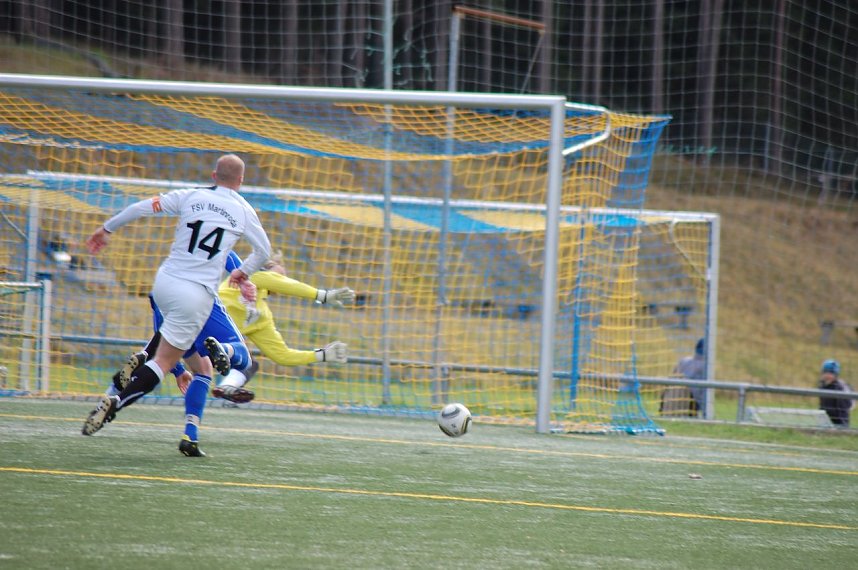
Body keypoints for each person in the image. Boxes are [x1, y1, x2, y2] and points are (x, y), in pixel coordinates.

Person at [81, 154, 271, 456]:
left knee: (191, 359)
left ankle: (145, 357)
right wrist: (242, 273)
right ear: (241, 181)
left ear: (213, 175)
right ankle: (116, 401)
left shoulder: (189, 196)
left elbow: (142, 207)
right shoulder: (244, 211)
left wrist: (106, 229)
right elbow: (264, 251)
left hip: (164, 283)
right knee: (168, 362)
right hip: (196, 293)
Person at [212, 252, 354, 402]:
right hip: (200, 321)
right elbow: (281, 283)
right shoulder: (249, 278)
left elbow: (282, 355)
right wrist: (322, 295)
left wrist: (321, 355)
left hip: (209, 342)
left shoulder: (262, 318)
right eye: (279, 270)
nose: (282, 277)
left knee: (249, 364)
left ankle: (226, 388)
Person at [660, 338, 706, 417]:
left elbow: (671, 380)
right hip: (690, 402)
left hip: (671, 398)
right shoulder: (705, 366)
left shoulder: (684, 361)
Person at [818, 359, 853, 427]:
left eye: (831, 372)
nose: (827, 375)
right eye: (825, 372)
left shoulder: (839, 387)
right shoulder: (822, 386)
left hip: (839, 421)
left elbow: (845, 407)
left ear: (836, 374)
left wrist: (843, 423)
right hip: (826, 419)